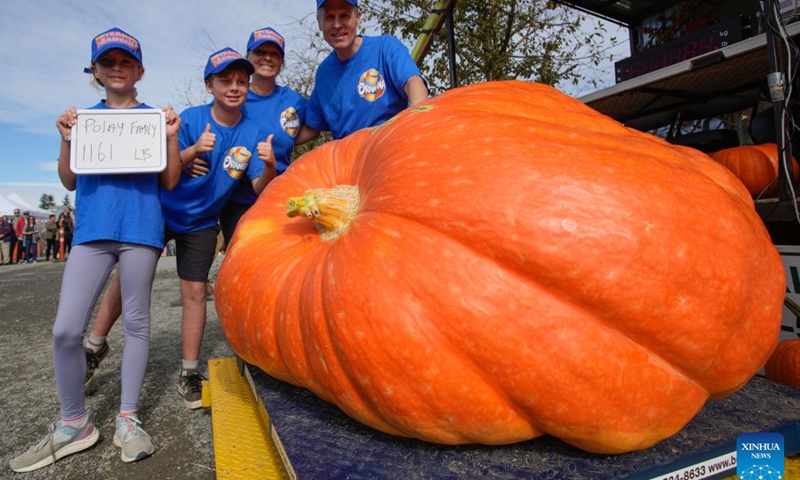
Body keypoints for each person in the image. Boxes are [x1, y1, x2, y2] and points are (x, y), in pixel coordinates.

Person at [9, 27, 182, 472]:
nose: (118, 69)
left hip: (141, 230)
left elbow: (170, 181)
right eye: (109, 63)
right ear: (96, 72)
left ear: (139, 69)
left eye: (126, 62)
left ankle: (128, 417)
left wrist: (170, 136)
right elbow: (68, 180)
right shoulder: (82, 118)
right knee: (66, 330)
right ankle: (74, 423)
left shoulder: (154, 119)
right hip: (91, 232)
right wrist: (66, 137)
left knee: (138, 323)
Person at [84, 46, 277, 411]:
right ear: (209, 85)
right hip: (160, 211)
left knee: (194, 293)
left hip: (203, 222)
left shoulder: (254, 132)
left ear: (249, 86)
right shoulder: (189, 119)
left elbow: (258, 189)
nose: (234, 87)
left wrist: (268, 167)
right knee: (124, 278)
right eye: (225, 80)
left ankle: (189, 371)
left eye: (241, 81)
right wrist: (191, 153)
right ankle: (94, 346)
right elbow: (159, 170)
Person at [295, 0, 428, 144]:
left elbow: (414, 83)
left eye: (344, 16)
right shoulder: (324, 74)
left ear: (358, 18)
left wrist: (415, 123)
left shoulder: (386, 48)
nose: (337, 25)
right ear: (319, 22)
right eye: (329, 17)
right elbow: (312, 125)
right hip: (348, 161)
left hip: (393, 148)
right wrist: (277, 143)